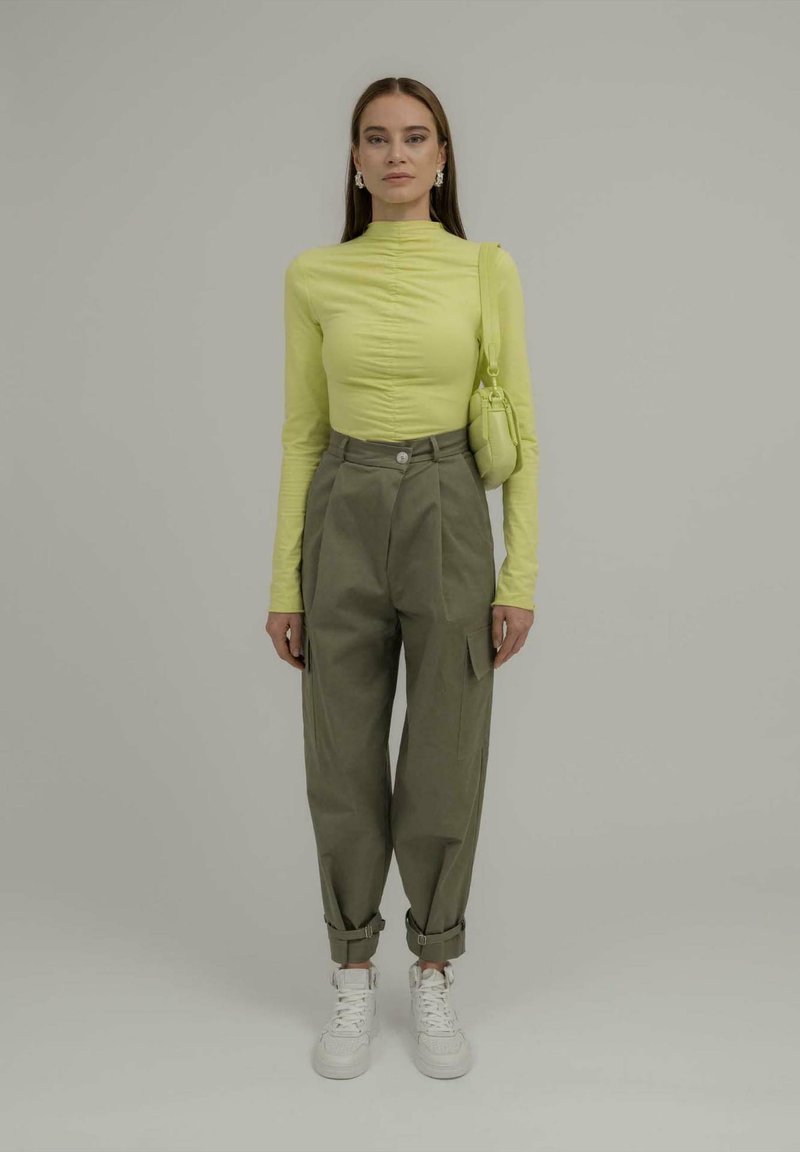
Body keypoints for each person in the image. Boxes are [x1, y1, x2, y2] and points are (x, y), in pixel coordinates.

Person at [264, 76, 539, 1080]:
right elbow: (301, 432)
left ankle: (432, 966)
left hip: (446, 503)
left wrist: (518, 574)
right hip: (341, 505)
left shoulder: (483, 269)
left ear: (442, 157)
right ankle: (350, 970)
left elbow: (522, 429)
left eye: (415, 138)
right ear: (353, 159)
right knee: (339, 755)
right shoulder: (313, 275)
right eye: (376, 139)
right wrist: (285, 585)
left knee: (444, 752)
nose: (395, 155)